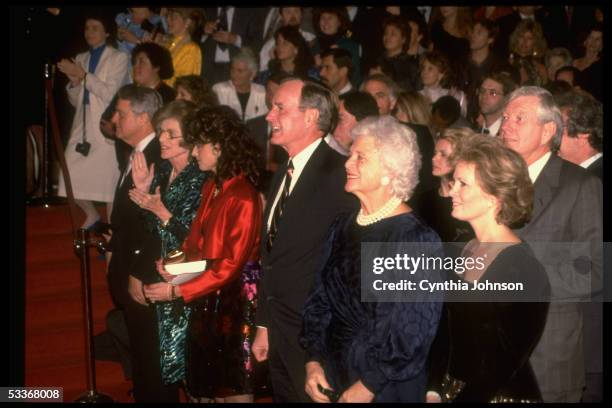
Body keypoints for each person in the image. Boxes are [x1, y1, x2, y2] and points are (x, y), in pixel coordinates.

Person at [300, 115, 443, 402]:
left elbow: (411, 333)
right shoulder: (342, 225)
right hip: (333, 374)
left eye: (360, 157)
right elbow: (318, 302)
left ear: (390, 171)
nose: (347, 163)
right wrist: (313, 362)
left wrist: (368, 385)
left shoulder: (414, 239)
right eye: (350, 155)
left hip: (386, 386)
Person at [147, 105, 263, 402]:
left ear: (219, 146)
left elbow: (230, 265)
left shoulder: (243, 195)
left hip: (237, 303)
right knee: (207, 390)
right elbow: (195, 243)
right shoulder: (212, 185)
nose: (194, 152)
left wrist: (177, 290)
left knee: (234, 390)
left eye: (199, 145)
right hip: (207, 297)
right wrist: (174, 266)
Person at [251, 78, 357, 402]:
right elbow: (272, 257)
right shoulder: (284, 170)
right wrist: (265, 325)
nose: (269, 116)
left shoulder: (341, 176)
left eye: (279, 108)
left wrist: (324, 350)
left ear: (310, 117)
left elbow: (349, 268)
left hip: (316, 340)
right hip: (280, 330)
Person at [427, 134, 550, 402]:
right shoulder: (461, 248)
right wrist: (433, 387)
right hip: (451, 390)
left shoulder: (523, 269)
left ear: (494, 197)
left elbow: (503, 364)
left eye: (462, 184)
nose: (451, 190)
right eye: (454, 181)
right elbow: (445, 331)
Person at [500, 86, 602, 402]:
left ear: (548, 131)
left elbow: (595, 271)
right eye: (505, 118)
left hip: (547, 356)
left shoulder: (579, 184)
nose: (506, 126)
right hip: (495, 353)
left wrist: (522, 275)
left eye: (519, 118)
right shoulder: (494, 181)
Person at [126, 100, 209, 391]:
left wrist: (161, 212)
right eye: (160, 132)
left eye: (169, 133)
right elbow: (150, 232)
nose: (161, 139)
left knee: (180, 370)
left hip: (185, 281)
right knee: (150, 368)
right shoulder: (161, 171)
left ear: (191, 138)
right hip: (155, 274)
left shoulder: (202, 178)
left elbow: (197, 240)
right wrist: (142, 191)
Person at [105, 85, 170, 402]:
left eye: (121, 113)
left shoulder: (160, 154)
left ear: (144, 117)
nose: (114, 118)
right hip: (127, 266)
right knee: (142, 359)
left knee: (153, 362)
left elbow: (157, 225)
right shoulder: (135, 153)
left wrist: (140, 272)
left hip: (145, 276)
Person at [57, 12, 129, 229]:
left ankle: (114, 232)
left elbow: (110, 93)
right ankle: (92, 215)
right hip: (83, 124)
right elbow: (74, 100)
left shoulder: (119, 57)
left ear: (107, 32)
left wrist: (84, 76)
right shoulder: (81, 58)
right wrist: (74, 83)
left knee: (109, 184)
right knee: (67, 176)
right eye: (87, 28)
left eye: (95, 28)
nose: (89, 32)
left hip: (106, 125)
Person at [554, 88, 602, 402]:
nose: (550, 136)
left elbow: (595, 267)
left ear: (581, 135)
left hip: (591, 334)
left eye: (558, 129)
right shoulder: (572, 178)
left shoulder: (594, 182)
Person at [415, 128, 473, 243]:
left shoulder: (467, 203)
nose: (434, 159)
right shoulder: (422, 198)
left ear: (461, 159)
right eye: (435, 153)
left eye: (443, 155)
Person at [212, 48, 268, 122]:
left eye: (240, 71)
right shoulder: (219, 90)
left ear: (252, 74)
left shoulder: (262, 93)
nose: (234, 74)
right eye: (232, 69)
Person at [310, 7, 361, 87]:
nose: (325, 22)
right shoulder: (314, 45)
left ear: (339, 22)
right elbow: (308, 77)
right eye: (322, 18)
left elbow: (355, 78)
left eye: (330, 18)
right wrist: (316, 67)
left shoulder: (350, 46)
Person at [160, 7, 203, 87]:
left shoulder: (191, 49)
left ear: (187, 22)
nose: (168, 19)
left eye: (173, 17)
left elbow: (182, 84)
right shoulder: (168, 43)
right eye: (168, 15)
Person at [419, 51, 467, 118]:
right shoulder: (416, 96)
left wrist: (449, 102)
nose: (424, 72)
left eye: (430, 69)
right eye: (423, 68)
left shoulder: (455, 96)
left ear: (441, 74)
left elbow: (462, 122)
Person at [475, 71, 518, 136]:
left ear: (506, 99)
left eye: (493, 93)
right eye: (482, 91)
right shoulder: (474, 131)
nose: (484, 96)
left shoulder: (508, 135)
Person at [507, 19, 548, 86]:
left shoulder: (540, 68)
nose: (524, 41)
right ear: (516, 38)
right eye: (521, 36)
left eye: (529, 38)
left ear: (536, 42)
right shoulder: (505, 62)